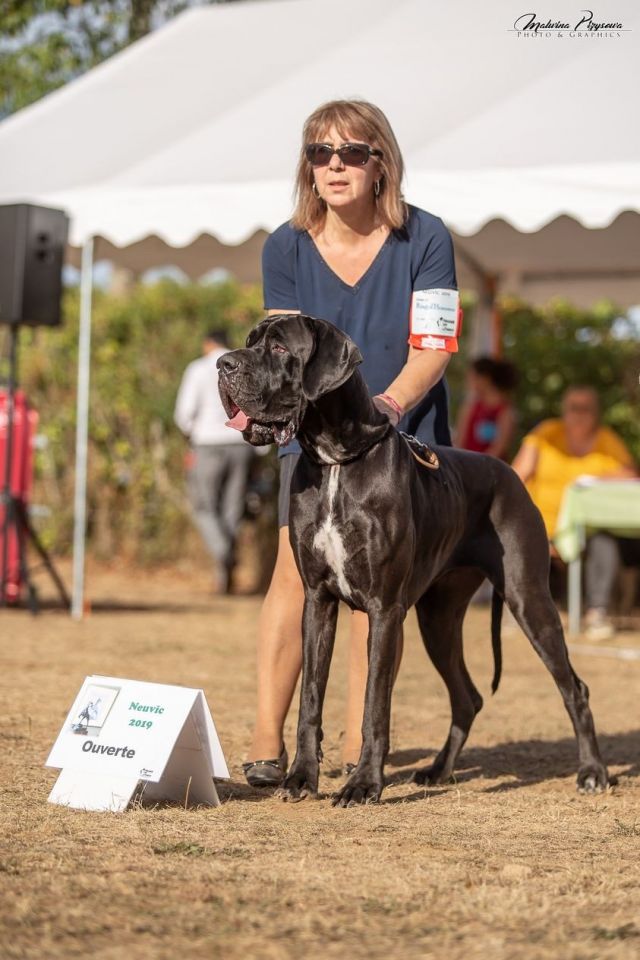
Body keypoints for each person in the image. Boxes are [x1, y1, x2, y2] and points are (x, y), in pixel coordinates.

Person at [243, 99, 461, 787]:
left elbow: (434, 348)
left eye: (351, 152)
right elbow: (279, 356)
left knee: (376, 590)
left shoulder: (426, 237)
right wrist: (264, 412)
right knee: (292, 573)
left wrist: (387, 406)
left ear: (380, 163)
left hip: (402, 427)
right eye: (320, 153)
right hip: (310, 437)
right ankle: (267, 744)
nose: (334, 166)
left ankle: (357, 749)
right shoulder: (285, 246)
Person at [512, 385, 638, 640]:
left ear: (596, 413)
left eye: (586, 408)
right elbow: (517, 475)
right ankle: (526, 612)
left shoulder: (606, 440)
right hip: (539, 524)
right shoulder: (546, 433)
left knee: (604, 542)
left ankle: (597, 613)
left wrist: (595, 478)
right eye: (573, 408)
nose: (579, 414)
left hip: (586, 528)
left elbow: (630, 474)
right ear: (564, 410)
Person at [174, 329, 254, 594]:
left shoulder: (197, 368)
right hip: (241, 444)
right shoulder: (243, 366)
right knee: (233, 509)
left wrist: (191, 436)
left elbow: (184, 414)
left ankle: (223, 552)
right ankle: (224, 574)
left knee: (204, 506)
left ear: (207, 343)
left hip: (207, 445)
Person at [455, 356, 518, 460]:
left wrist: (478, 465)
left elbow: (499, 447)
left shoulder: (505, 411)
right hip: (466, 464)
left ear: (485, 379)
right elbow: (460, 440)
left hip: (491, 467)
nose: (469, 382)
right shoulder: (471, 406)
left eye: (473, 377)